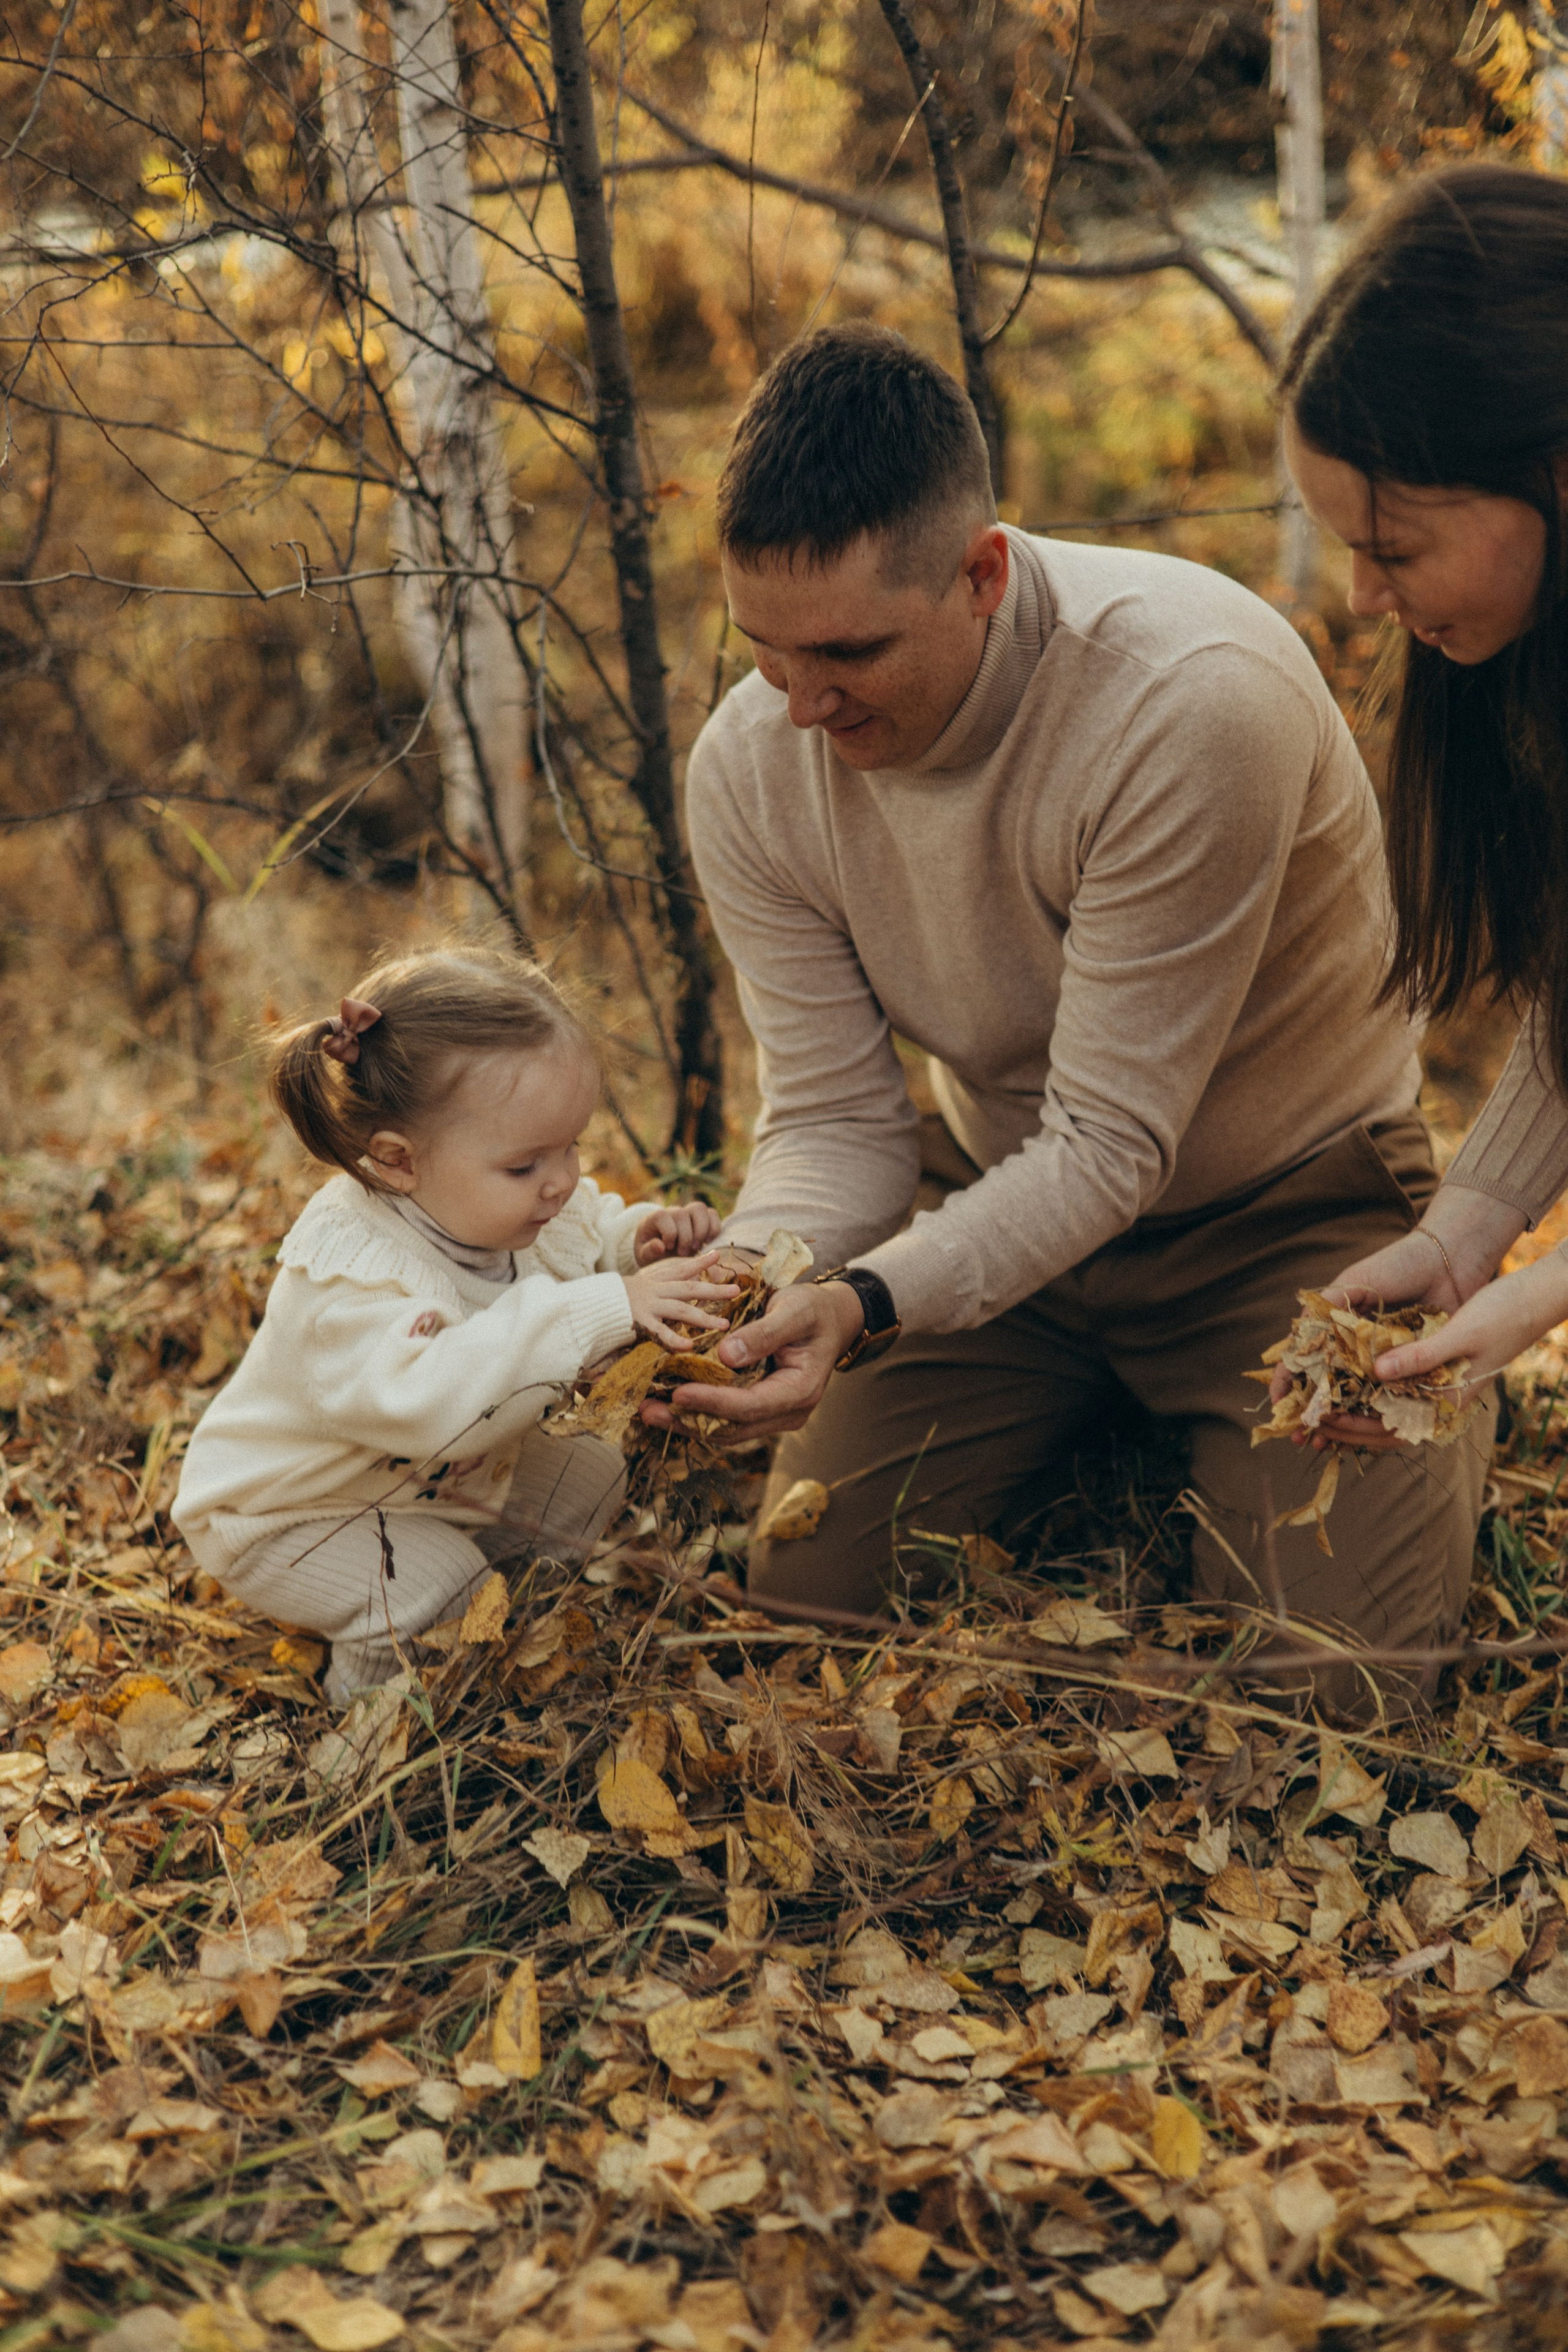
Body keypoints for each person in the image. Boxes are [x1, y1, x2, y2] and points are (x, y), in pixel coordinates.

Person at [658, 320, 1493, 1709]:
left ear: (982, 574)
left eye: (850, 651)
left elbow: (1112, 1145)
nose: (800, 706)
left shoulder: (1185, 698)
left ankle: (1383, 1407)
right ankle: (1109, 1414)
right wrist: (746, 1288)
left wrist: (867, 1303)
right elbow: (835, 1121)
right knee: (804, 1601)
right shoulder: (750, 762)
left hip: (1290, 1221)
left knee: (1340, 1694)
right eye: (764, 652)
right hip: (999, 1206)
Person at [173, 946, 734, 1702]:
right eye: (526, 1165)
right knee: (431, 1587)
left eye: (571, 1146)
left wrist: (638, 1243)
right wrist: (605, 1307)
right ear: (398, 1162)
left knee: (587, 1469)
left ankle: (503, 1631)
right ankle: (366, 1720)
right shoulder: (351, 1280)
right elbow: (435, 1404)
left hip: (416, 1485)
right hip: (287, 1514)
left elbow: (586, 1229)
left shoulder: (498, 1204)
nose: (562, 1181)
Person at [1276, 164, 1568, 1450]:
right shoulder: (1522, 662)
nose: (1359, 597)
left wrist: (1539, 1301)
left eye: (1393, 550)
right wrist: (1466, 1231)